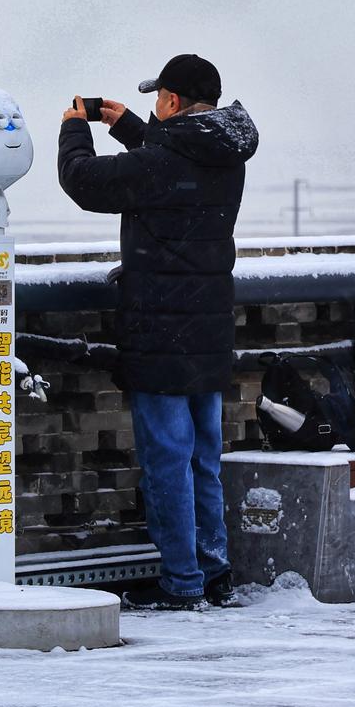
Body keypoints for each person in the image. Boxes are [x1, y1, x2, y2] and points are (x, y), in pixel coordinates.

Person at [56, 54, 259, 610]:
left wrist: (76, 129)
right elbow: (175, 168)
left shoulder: (164, 161)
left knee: (169, 457)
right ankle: (214, 573)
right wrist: (128, 126)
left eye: (156, 100)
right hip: (208, 328)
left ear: (169, 101)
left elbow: (86, 182)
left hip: (162, 331)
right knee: (204, 459)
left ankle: (182, 582)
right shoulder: (226, 153)